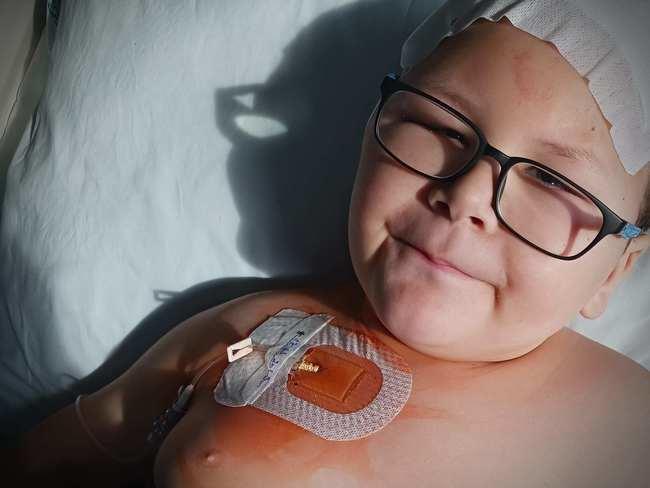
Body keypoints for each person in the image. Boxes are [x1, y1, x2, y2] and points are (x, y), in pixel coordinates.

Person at [8, 7, 650, 488]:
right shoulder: (248, 336)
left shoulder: (630, 429)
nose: (467, 196)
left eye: (553, 180)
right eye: (439, 124)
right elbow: (43, 463)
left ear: (614, 272)